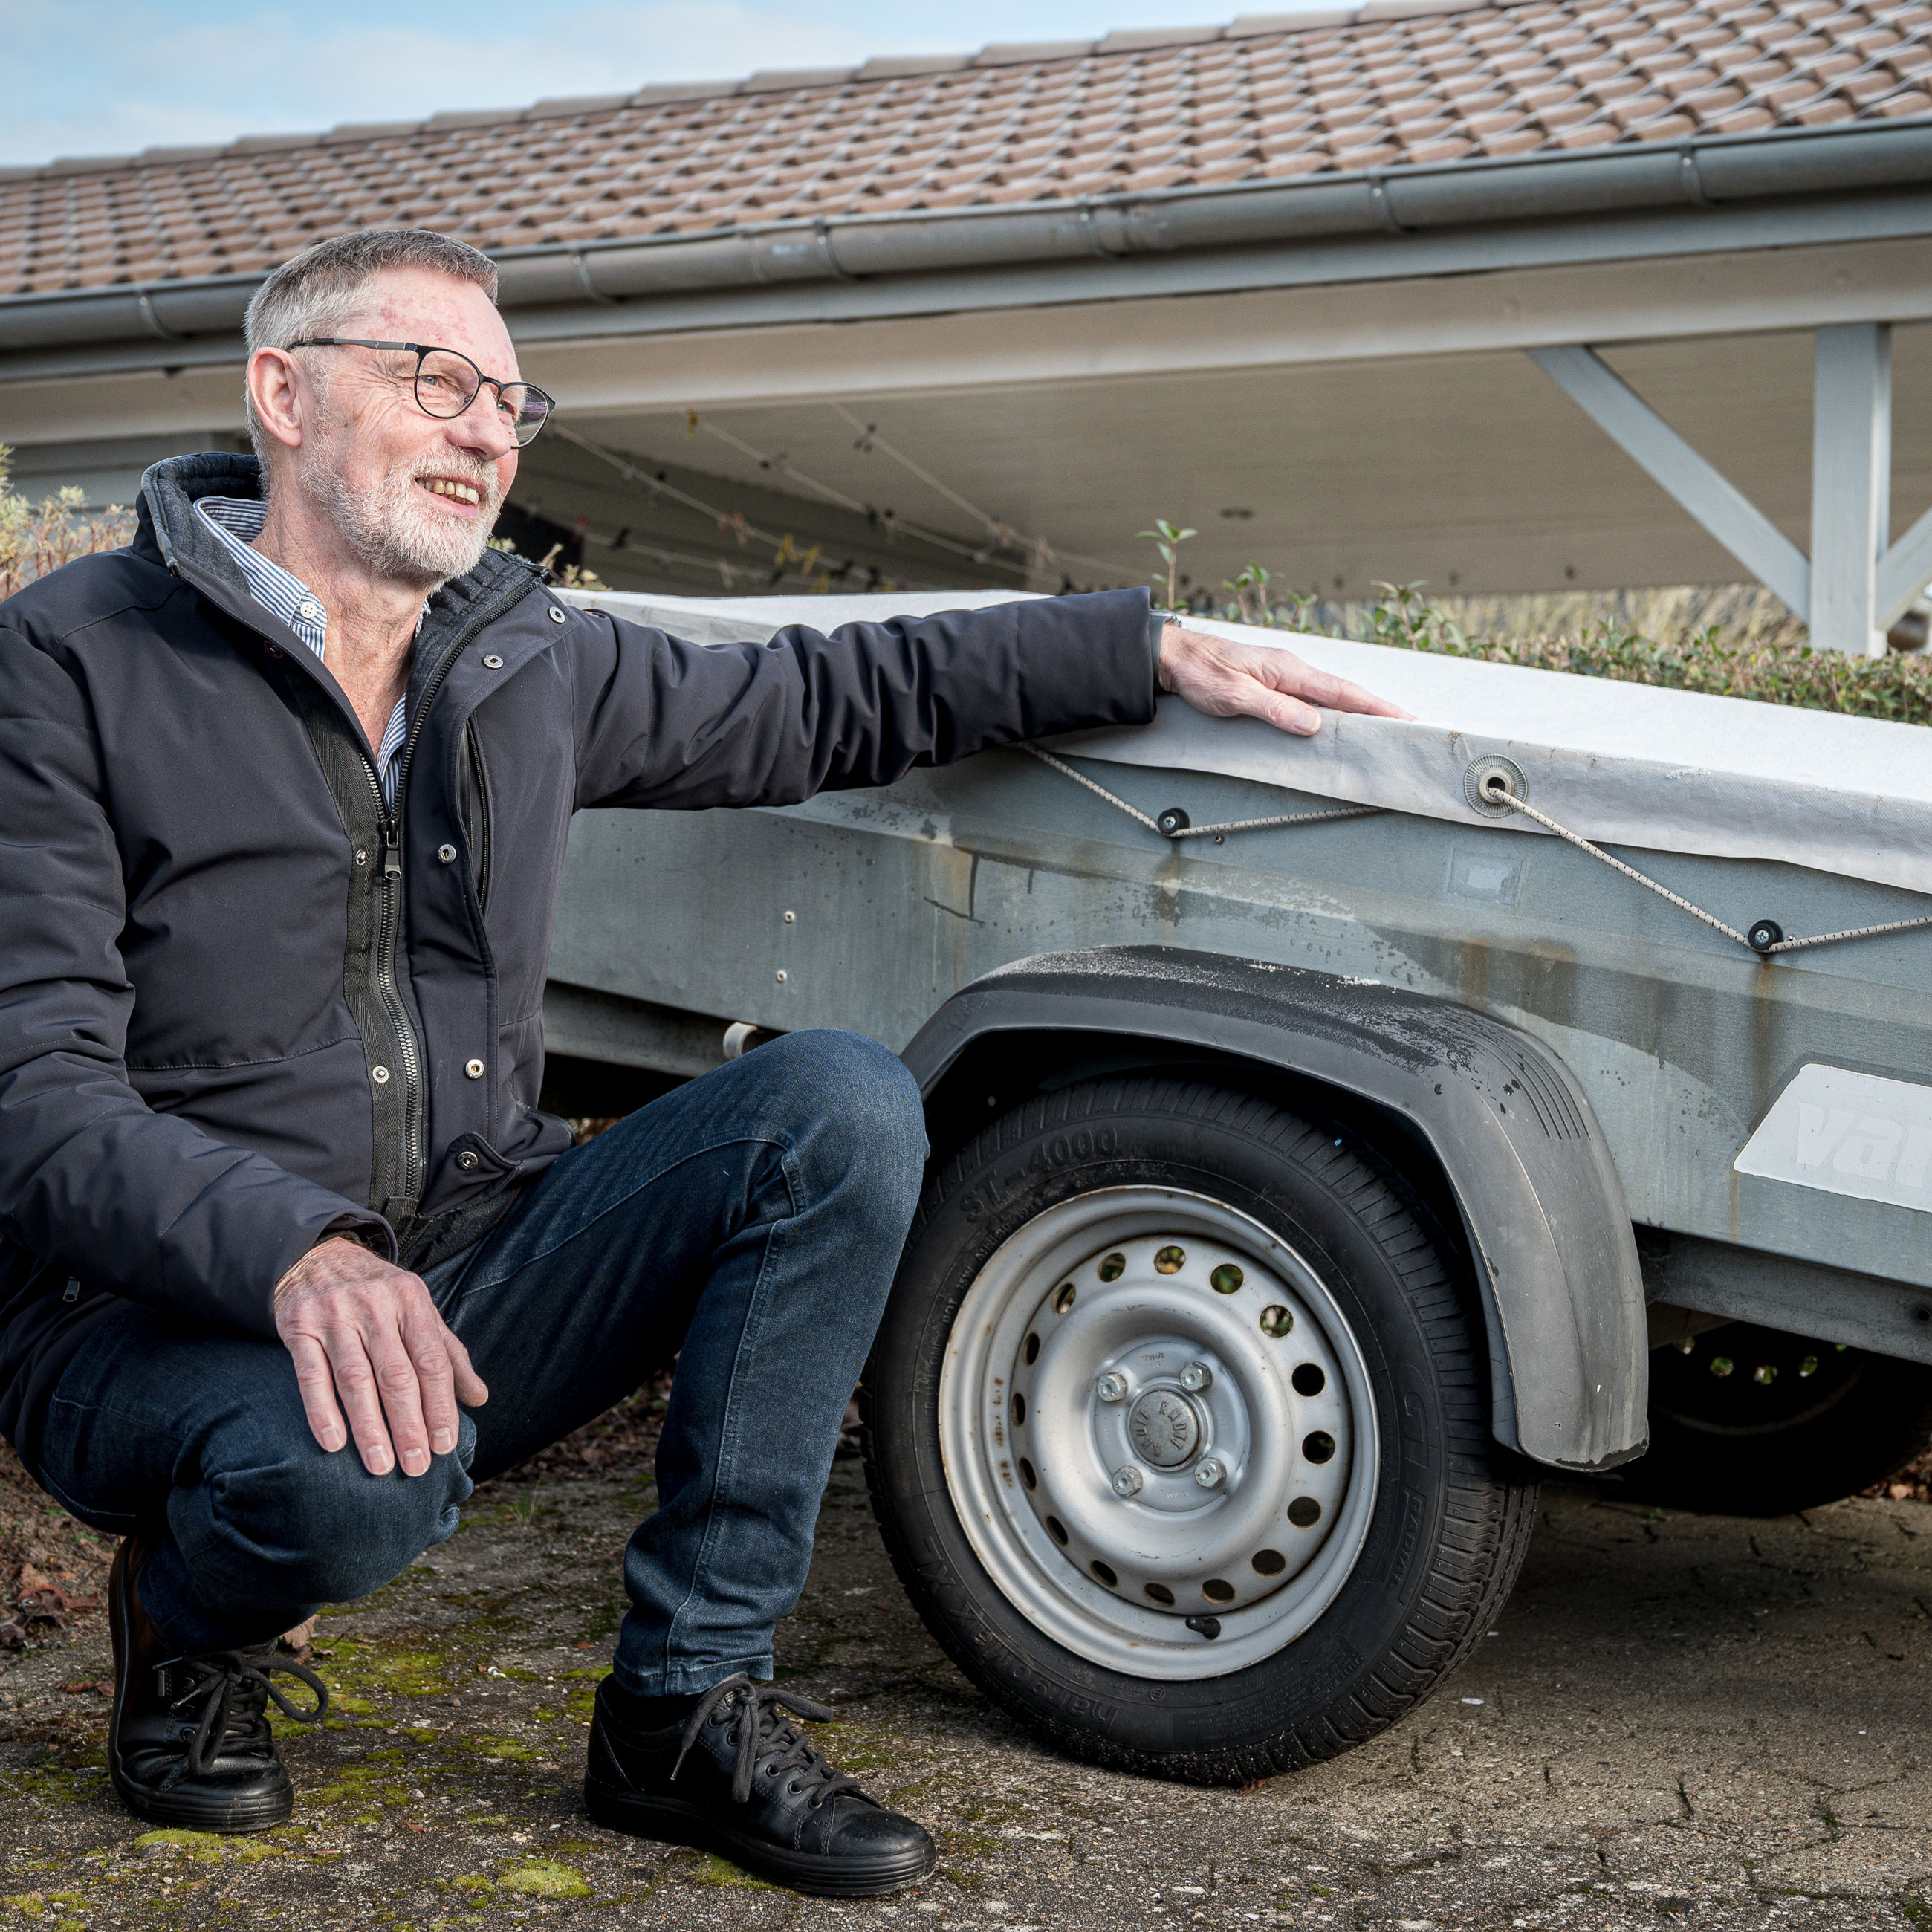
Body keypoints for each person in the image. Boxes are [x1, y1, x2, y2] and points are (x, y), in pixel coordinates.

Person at [0, 227, 1407, 1898]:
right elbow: (37, 1096)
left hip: (466, 1251)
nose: (486, 431)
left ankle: (680, 1707)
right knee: (344, 1483)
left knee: (833, 1105)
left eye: (512, 400)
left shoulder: (516, 654)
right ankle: (182, 1614)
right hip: (151, 1315)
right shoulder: (69, 661)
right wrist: (292, 1253)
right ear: (282, 395)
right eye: (435, 378)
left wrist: (1133, 651)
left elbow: (818, 698)